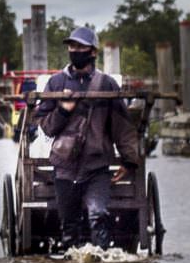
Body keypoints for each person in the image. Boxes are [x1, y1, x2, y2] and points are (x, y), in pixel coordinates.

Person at [33, 24, 143, 249]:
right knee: (69, 225)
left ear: (93, 52)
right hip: (64, 166)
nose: (75, 50)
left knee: (98, 215)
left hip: (97, 165)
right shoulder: (56, 83)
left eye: (80, 46)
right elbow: (46, 127)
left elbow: (122, 127)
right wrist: (63, 110)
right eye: (71, 46)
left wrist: (129, 160)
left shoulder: (106, 84)